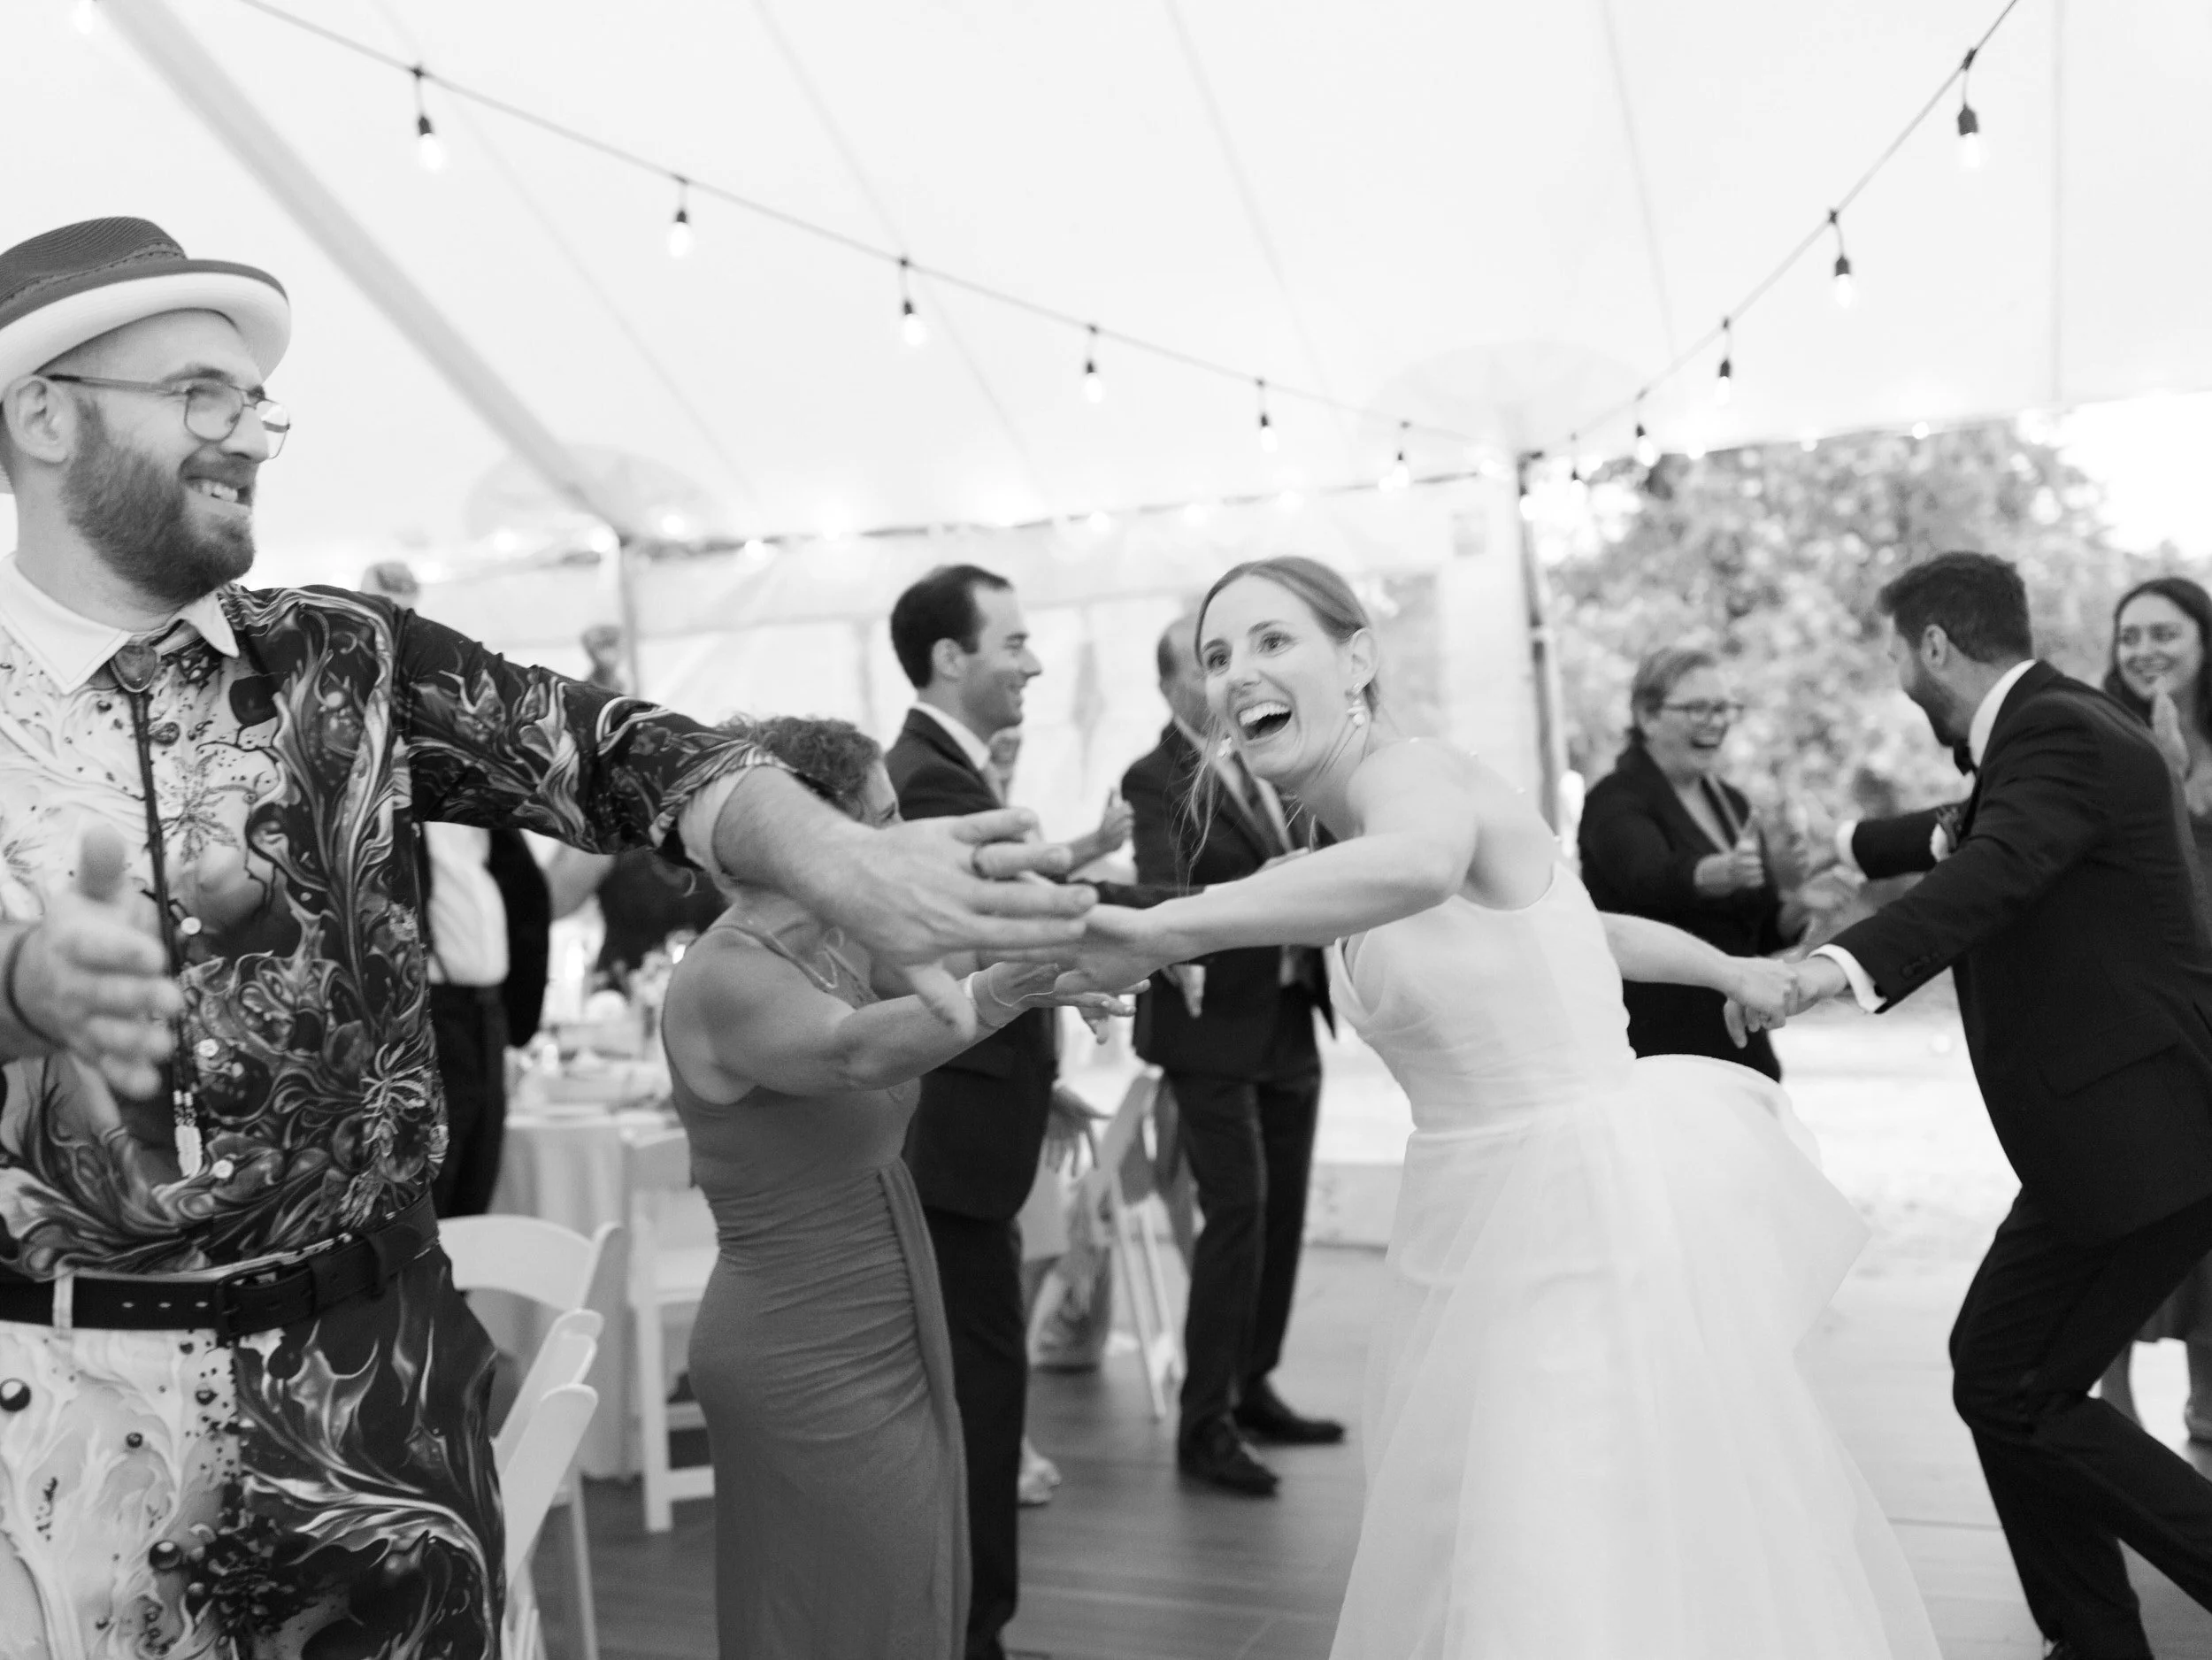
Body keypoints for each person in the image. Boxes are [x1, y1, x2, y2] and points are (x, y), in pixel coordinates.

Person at [0, 218, 1089, 1656]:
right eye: (200, 392)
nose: (250, 434)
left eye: (256, 401)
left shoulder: (345, 658)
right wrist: (24, 983)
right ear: (40, 411)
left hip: (380, 1387)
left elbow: (611, 749)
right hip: (70, 1416)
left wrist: (837, 853)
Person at [1060, 556, 1939, 1657]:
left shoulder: (1419, 778)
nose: (1238, 674)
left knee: (1557, 1525)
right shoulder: (1337, 843)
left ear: (1359, 657)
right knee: (1467, 1524)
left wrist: (1165, 927)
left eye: (1272, 640)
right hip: (1460, 1214)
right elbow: (1576, 922)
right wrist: (1728, 971)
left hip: (1575, 1207)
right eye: (1218, 655)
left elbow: (1426, 865)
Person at [1774, 552, 2212, 1660]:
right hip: (2120, 1136)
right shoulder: (2054, 728)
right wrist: (1836, 851)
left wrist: (1835, 966)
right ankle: (2093, 1640)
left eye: (1894, 655)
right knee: (2009, 1377)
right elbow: (1959, 828)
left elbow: (1995, 862)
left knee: (2010, 1380)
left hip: (2140, 1137)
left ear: (1933, 647)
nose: (1895, 679)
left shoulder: (2057, 737)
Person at [662, 714, 1125, 1660]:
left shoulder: (834, 939)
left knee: (901, 1585)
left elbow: (939, 983)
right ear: (799, 835)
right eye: (877, 821)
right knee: (848, 1604)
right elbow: (856, 1049)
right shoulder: (724, 975)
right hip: (800, 1342)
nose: (895, 842)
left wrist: (1045, 1022)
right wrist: (1008, 990)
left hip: (879, 1309)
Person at [883, 563, 1084, 1660]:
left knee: (979, 1393)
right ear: (950, 658)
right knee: (978, 1400)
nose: (1034, 660)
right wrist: (1214, 915)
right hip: (952, 1141)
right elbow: (1025, 918)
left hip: (975, 1126)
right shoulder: (932, 784)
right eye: (1013, 641)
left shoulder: (940, 770)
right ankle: (971, 1636)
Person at [1122, 611, 1339, 1496]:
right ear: (1172, 685)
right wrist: (1278, 891)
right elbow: (1160, 893)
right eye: (1210, 665)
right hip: (1208, 1024)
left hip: (1290, 1009)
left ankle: (1253, 1385)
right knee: (1238, 1211)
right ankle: (1203, 1421)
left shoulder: (1267, 754)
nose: (1230, 680)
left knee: (1283, 1210)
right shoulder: (1152, 779)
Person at [361, 559, 554, 1218]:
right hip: (422, 1015)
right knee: (431, 1213)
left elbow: (519, 886)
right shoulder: (351, 762)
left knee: (476, 1197)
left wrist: (519, 1012)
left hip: (485, 1012)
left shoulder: (459, 755)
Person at [2094, 575, 2212, 1436]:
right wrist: (2163, 780)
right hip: (2134, 1004)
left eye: (2163, 633)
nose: (2143, 650)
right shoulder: (2097, 736)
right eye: (2129, 635)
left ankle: (2207, 1396)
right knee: (2127, 1203)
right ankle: (2113, 1399)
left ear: (2203, 641)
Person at [1578, 647, 1802, 1080]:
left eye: (1723, 708)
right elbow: (1649, 880)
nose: (1716, 722)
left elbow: (1760, 934)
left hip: (1739, 1045)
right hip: (1658, 1049)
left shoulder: (1731, 802)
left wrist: (1804, 902)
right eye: (1698, 708)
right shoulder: (1614, 801)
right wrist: (1717, 872)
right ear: (1648, 716)